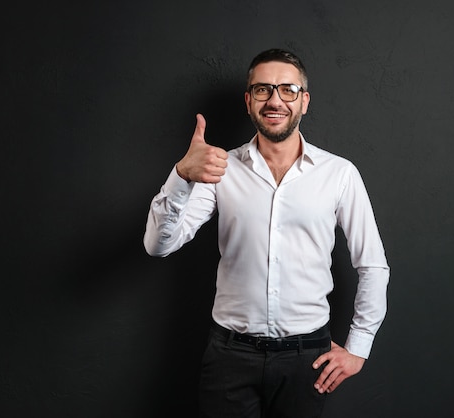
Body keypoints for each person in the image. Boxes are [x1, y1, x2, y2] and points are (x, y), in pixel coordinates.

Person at [143, 48, 389, 418]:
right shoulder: (219, 169)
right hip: (230, 358)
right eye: (262, 90)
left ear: (304, 101)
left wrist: (358, 347)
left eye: (288, 89)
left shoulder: (339, 174)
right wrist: (181, 176)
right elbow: (158, 245)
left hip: (307, 360)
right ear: (248, 101)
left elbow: (372, 265)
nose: (275, 100)